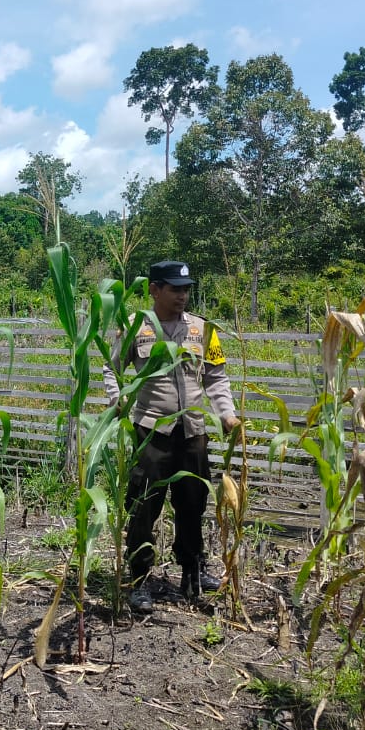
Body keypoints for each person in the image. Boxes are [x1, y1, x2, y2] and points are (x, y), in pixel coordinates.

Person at [103, 260, 241, 613]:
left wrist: (226, 413)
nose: (182, 295)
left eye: (186, 289)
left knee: (193, 503)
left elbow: (216, 376)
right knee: (143, 506)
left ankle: (192, 572)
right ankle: (138, 580)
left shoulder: (201, 330)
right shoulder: (136, 327)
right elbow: (111, 367)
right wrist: (118, 400)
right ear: (154, 289)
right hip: (151, 433)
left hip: (193, 432)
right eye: (174, 288)